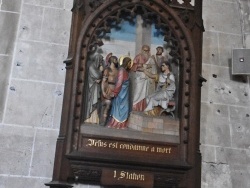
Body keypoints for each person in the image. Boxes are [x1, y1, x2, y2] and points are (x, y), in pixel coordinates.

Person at [107, 56, 132, 129]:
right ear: (126, 63)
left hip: (125, 93)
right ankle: (116, 124)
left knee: (125, 108)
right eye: (129, 63)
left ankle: (122, 125)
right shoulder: (122, 70)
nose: (130, 65)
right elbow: (119, 83)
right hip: (121, 93)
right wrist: (115, 92)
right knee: (119, 108)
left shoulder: (125, 71)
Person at [130, 45, 153, 111]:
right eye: (145, 50)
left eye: (147, 50)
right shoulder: (138, 56)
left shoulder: (150, 58)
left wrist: (148, 67)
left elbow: (152, 66)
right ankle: (134, 106)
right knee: (138, 92)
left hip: (146, 77)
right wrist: (142, 65)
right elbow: (133, 66)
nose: (146, 52)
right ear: (142, 50)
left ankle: (142, 108)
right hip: (139, 77)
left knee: (145, 93)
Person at [83, 54, 104, 123]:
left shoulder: (95, 67)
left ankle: (94, 119)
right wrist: (101, 71)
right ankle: (89, 118)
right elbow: (97, 76)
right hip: (91, 88)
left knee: (96, 103)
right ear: (97, 60)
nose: (101, 62)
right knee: (92, 102)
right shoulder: (92, 66)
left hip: (95, 87)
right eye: (100, 60)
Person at [101, 54, 119, 124]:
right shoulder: (107, 70)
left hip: (116, 89)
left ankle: (111, 121)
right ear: (111, 61)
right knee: (108, 105)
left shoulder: (117, 70)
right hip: (109, 88)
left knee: (113, 106)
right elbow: (103, 81)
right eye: (115, 60)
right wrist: (103, 91)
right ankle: (103, 121)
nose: (117, 61)